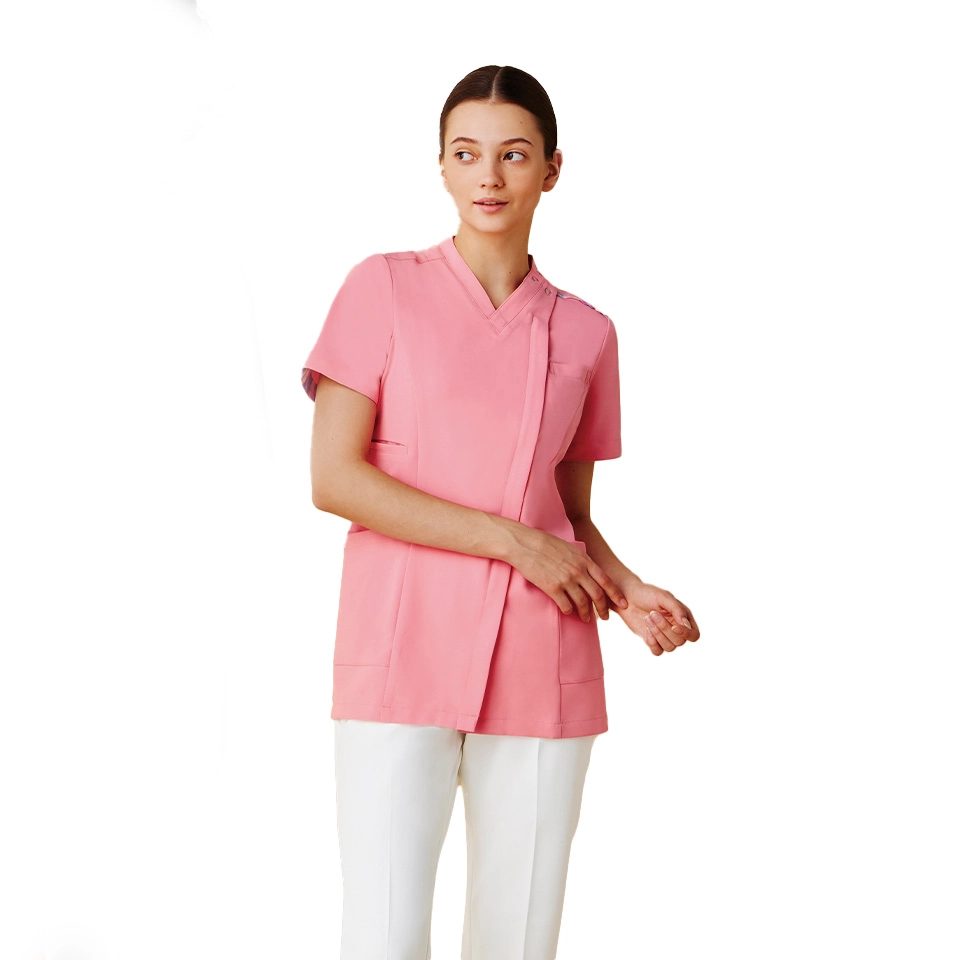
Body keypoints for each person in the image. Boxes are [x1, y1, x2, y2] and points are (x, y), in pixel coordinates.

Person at [302, 64, 700, 960]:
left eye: (514, 155)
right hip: (400, 647)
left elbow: (568, 513)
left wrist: (626, 589)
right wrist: (516, 544)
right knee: (383, 936)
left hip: (540, 647)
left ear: (551, 170)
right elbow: (335, 478)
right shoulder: (381, 289)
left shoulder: (587, 332)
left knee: (518, 942)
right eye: (466, 153)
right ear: (441, 165)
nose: (488, 176)